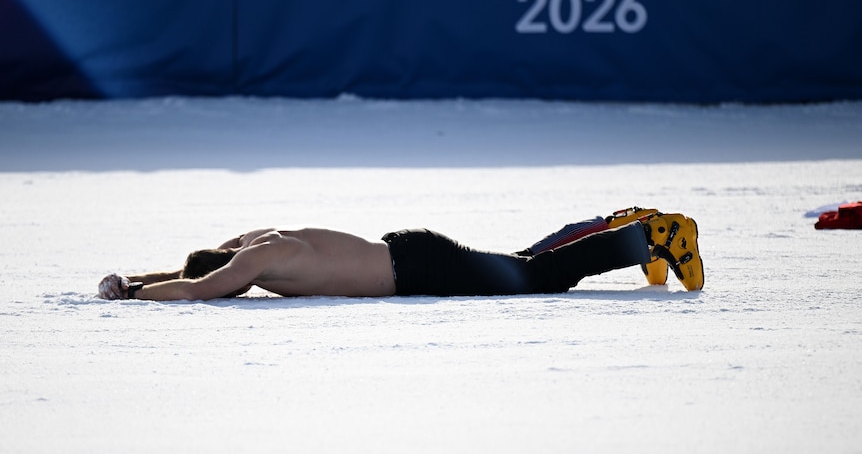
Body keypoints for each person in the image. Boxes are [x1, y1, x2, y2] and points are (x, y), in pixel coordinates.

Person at [97, 207, 703, 301]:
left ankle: (653, 237)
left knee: (537, 278)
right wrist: (132, 279)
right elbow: (197, 271)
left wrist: (137, 298)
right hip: (408, 252)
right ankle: (622, 222)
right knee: (522, 263)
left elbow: (201, 288)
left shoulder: (248, 264)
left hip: (413, 267)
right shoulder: (253, 243)